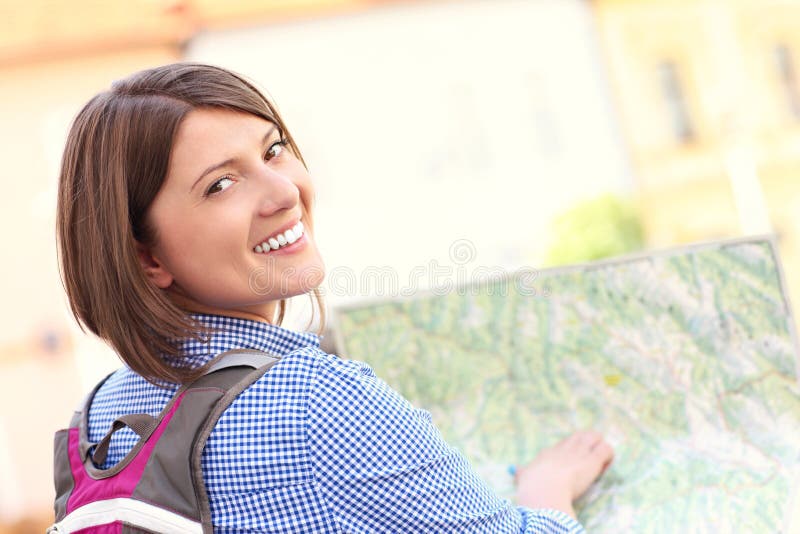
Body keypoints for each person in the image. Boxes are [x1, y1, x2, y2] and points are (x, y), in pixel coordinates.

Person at [55, 62, 613, 533]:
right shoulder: (320, 404)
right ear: (148, 258)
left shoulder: (99, 415)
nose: (282, 192)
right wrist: (548, 487)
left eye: (273, 151)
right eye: (220, 185)